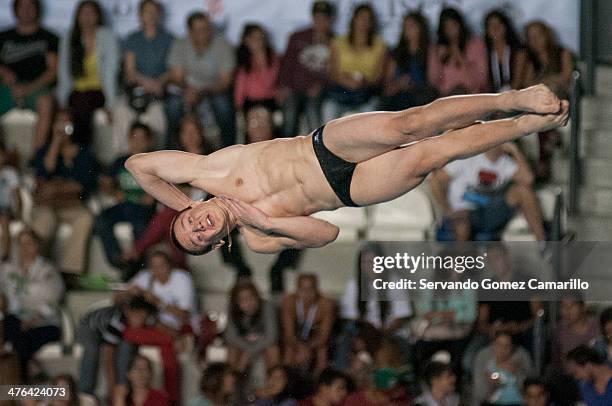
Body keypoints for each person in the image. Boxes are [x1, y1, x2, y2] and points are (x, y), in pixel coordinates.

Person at [125, 85, 569, 256]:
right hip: (347, 190)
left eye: (189, 224)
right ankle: (523, 126)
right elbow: (327, 235)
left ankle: (511, 99)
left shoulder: (206, 173)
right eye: (201, 238)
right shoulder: (258, 239)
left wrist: (184, 204)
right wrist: (262, 219)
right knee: (432, 156)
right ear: (219, 242)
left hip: (320, 147)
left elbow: (138, 165)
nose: (199, 227)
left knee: (410, 124)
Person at [122, 115, 252, 276]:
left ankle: (141, 253)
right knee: (176, 226)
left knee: (173, 220)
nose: (190, 136)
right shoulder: (174, 158)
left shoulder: (215, 156)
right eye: (186, 132)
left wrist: (192, 205)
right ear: (180, 136)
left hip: (212, 203)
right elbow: (134, 165)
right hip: (188, 208)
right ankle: (176, 267)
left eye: (194, 131)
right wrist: (189, 205)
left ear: (201, 133)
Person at [114, 250, 196, 405]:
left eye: (162, 266)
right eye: (154, 267)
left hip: (173, 328)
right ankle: (171, 399)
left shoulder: (181, 279)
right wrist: (129, 292)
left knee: (166, 345)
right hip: (149, 329)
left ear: (170, 266)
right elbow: (116, 299)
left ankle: (171, 399)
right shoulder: (145, 278)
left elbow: (184, 317)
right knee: (161, 338)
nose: (158, 271)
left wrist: (159, 302)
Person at [429, 142, 546, 241]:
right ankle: (461, 262)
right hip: (464, 211)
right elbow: (435, 182)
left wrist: (515, 151)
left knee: (523, 191)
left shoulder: (505, 162)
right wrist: (447, 209)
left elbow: (528, 179)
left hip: (489, 211)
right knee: (462, 225)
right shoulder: (469, 158)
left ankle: (543, 245)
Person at [29, 109, 97, 275]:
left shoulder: (83, 153)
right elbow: (45, 171)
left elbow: (80, 186)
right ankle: (35, 268)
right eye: (59, 123)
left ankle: (69, 271)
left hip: (71, 206)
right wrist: (55, 144)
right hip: (47, 206)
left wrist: (55, 187)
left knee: (85, 218)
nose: (62, 127)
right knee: (45, 223)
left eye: (66, 123)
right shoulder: (44, 150)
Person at [0, 227, 64, 383]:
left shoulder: (47, 270)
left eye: (28, 243)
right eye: (20, 244)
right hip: (14, 322)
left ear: (37, 245)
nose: (24, 248)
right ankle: (29, 372)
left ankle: (21, 387)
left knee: (19, 342)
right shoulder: (7, 270)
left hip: (43, 324)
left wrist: (31, 320)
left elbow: (52, 300)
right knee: (11, 328)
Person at [166, 12, 236, 148]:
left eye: (206, 28)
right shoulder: (180, 44)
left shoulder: (223, 45)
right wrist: (189, 90)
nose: (204, 33)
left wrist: (202, 91)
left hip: (213, 90)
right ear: (190, 32)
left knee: (224, 107)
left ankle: (227, 148)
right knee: (172, 107)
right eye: (199, 29)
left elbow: (225, 81)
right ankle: (171, 148)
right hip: (186, 89)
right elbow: (176, 76)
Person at [94, 122, 155, 275]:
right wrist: (115, 192)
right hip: (125, 205)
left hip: (143, 208)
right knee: (102, 219)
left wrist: (154, 196)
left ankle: (137, 265)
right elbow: (104, 183)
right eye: (135, 137)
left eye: (142, 138)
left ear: (148, 141)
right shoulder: (120, 161)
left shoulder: (154, 161)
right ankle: (119, 260)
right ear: (129, 139)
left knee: (139, 225)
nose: (138, 142)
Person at [113, 0, 174, 152]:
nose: (151, 16)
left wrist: (159, 82)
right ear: (140, 16)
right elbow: (130, 70)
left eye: (154, 12)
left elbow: (173, 69)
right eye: (147, 12)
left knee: (158, 116)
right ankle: (123, 157)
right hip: (135, 89)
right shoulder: (132, 39)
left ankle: (157, 155)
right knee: (120, 112)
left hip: (158, 92)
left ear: (159, 15)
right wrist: (147, 83)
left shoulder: (169, 39)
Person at [57, 0, 119, 145]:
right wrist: (62, 102)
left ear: (98, 16)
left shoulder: (107, 37)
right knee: (69, 106)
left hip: (99, 91)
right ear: (77, 16)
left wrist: (110, 104)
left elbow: (111, 72)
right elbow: (63, 72)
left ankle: (81, 151)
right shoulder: (69, 38)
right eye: (83, 13)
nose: (87, 17)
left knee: (82, 104)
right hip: (75, 91)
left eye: (91, 13)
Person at [0, 0, 58, 150]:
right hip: (7, 88)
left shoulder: (49, 37)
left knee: (46, 102)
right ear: (15, 10)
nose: (26, 10)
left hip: (36, 88)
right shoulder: (3, 37)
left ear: (37, 9)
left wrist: (28, 88)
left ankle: (36, 160)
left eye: (30, 6)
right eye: (22, 6)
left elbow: (53, 70)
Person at [522, 21, 574, 182]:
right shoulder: (531, 61)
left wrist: (546, 81)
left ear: (547, 35)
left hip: (562, 100)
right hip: (542, 105)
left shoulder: (562, 53)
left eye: (538, 35)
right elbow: (526, 85)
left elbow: (566, 77)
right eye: (531, 37)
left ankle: (543, 164)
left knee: (548, 93)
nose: (535, 40)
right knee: (541, 106)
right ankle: (552, 139)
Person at [77, 295, 157, 400]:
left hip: (110, 333)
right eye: (137, 316)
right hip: (89, 327)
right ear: (128, 312)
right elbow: (108, 356)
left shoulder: (148, 320)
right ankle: (85, 392)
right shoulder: (116, 323)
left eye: (143, 317)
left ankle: (124, 387)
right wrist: (112, 386)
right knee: (92, 349)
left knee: (126, 346)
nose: (140, 321)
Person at [278, 1, 334, 137]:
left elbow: (334, 72)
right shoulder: (297, 37)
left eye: (324, 18)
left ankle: (314, 152)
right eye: (317, 17)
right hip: (294, 88)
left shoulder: (335, 42)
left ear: (330, 20)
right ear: (312, 18)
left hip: (318, 91)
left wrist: (321, 85)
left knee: (313, 115)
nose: (320, 22)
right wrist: (283, 86)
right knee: (289, 114)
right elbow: (286, 64)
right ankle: (284, 152)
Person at [322, 3, 386, 122]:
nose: (363, 22)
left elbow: (379, 78)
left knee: (371, 110)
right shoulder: (338, 43)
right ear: (354, 19)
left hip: (365, 93)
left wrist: (363, 83)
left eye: (368, 19)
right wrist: (345, 81)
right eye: (361, 18)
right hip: (340, 92)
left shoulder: (380, 46)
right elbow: (332, 73)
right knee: (329, 109)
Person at [281, 274, 335, 375]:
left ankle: (318, 384)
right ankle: (286, 382)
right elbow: (289, 334)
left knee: (322, 351)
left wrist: (307, 348)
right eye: (302, 289)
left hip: (315, 340)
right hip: (296, 339)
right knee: (289, 350)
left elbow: (324, 336)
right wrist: (300, 348)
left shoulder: (326, 304)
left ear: (317, 290)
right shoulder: (289, 302)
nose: (306, 293)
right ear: (296, 290)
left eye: (310, 289)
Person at [234, 24, 279, 143]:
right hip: (250, 102)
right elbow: (240, 86)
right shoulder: (243, 60)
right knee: (252, 120)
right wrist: (238, 106)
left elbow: (272, 82)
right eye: (254, 38)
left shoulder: (272, 58)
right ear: (246, 41)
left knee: (264, 118)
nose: (258, 42)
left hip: (270, 101)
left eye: (260, 38)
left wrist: (263, 61)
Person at [428, 7, 488, 96]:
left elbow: (481, 80)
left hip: (472, 95)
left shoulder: (475, 44)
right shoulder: (437, 48)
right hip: (446, 97)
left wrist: (460, 57)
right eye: (447, 27)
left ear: (460, 25)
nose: (451, 30)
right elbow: (434, 81)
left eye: (454, 25)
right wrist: (437, 57)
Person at [381, 11, 435, 111]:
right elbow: (386, 88)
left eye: (411, 25)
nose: (407, 29)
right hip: (398, 99)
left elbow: (434, 82)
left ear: (421, 28)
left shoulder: (429, 51)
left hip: (421, 101)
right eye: (405, 26)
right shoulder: (396, 53)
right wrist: (399, 84)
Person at [225, 280, 279, 373]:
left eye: (250, 297)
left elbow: (271, 336)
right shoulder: (232, 310)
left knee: (272, 349)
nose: (247, 302)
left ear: (257, 297)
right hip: (244, 343)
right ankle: (232, 382)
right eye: (242, 299)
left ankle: (272, 383)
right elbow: (230, 336)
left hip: (263, 342)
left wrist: (250, 352)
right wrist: (248, 348)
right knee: (232, 351)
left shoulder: (267, 307)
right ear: (236, 301)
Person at [472, 332, 533, 406]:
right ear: (493, 345)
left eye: (507, 346)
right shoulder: (488, 361)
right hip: (495, 399)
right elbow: (483, 387)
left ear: (512, 348)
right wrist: (495, 380)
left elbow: (528, 385)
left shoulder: (518, 360)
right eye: (499, 345)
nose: (502, 349)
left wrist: (516, 372)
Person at [483, 10, 527, 92]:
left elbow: (518, 82)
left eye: (498, 24)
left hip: (516, 96)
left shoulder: (518, 50)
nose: (495, 29)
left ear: (505, 27)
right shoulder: (485, 52)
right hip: (493, 99)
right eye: (491, 26)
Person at [552, 294, 599, 369]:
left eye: (572, 306)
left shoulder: (597, 326)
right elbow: (557, 362)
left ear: (582, 307)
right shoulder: (559, 332)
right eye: (563, 307)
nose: (567, 311)